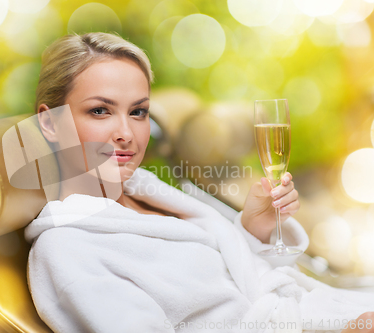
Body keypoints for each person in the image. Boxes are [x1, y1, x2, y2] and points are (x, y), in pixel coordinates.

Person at [25, 32, 374, 333]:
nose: (126, 134)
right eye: (100, 111)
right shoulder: (67, 248)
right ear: (50, 123)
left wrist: (253, 230)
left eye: (138, 112)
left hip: (321, 309)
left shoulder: (148, 191)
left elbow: (235, 286)